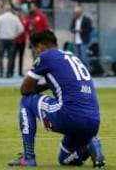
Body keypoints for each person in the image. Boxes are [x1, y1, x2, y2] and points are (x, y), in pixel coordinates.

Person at [8, 30, 106, 168]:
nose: (34, 52)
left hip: (70, 115)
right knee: (65, 159)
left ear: (41, 46)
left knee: (26, 100)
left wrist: (44, 84)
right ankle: (90, 146)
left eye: (33, 48)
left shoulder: (45, 57)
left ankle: (28, 157)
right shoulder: (71, 55)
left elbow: (25, 89)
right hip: (93, 121)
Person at [0, 4, 24, 78]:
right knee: (10, 57)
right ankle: (8, 73)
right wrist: (15, 35)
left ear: (4, 9)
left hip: (3, 38)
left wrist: (0, 35)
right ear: (11, 9)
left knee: (0, 56)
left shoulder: (1, 17)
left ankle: (1, 72)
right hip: (11, 39)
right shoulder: (15, 18)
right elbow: (21, 29)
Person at [69, 5, 93, 70]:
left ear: (80, 12)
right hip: (76, 40)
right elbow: (71, 28)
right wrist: (73, 30)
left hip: (84, 40)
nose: (75, 14)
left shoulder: (86, 19)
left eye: (77, 13)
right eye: (75, 13)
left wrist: (81, 30)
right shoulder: (74, 19)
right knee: (77, 57)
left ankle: (87, 69)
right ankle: (79, 70)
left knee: (84, 56)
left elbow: (90, 29)